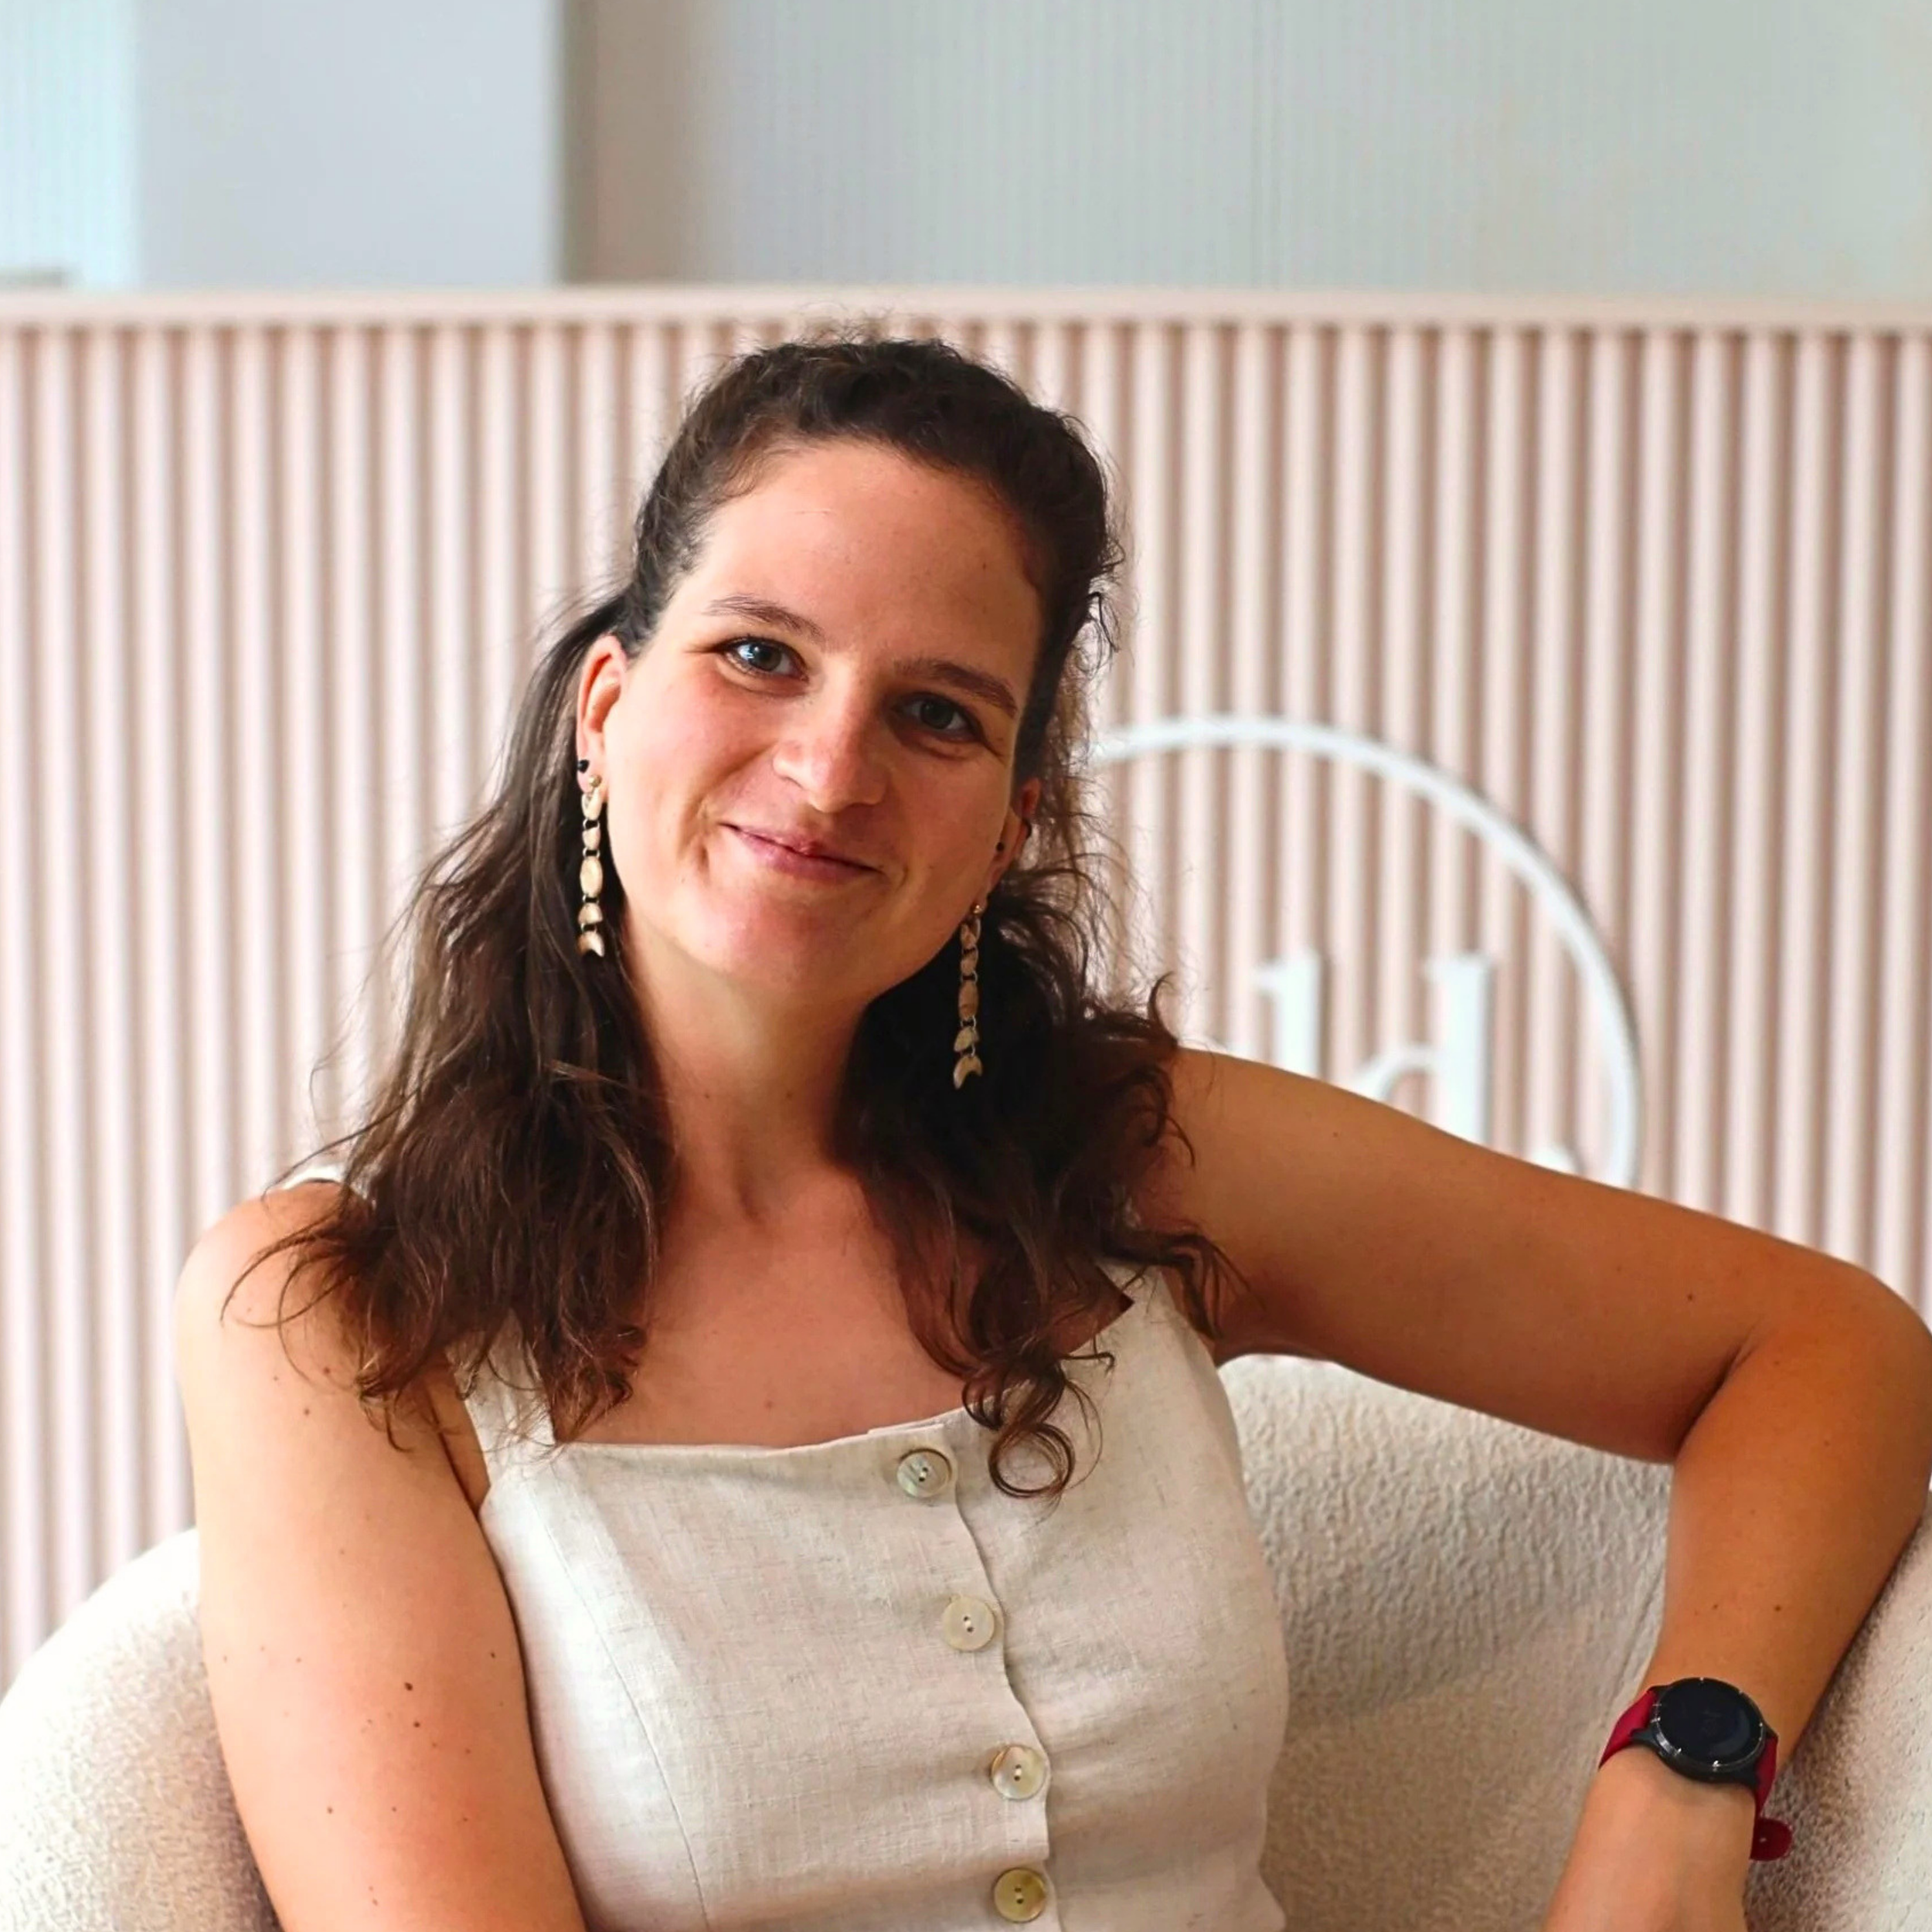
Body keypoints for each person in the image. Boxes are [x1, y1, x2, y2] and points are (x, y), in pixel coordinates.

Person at [172, 323, 1932, 1932]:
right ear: (609, 706)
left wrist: (1676, 1786)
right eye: (759, 653)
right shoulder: (344, 1312)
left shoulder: (1132, 1156)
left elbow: (1821, 1347)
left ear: (1009, 825)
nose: (830, 767)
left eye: (935, 712)